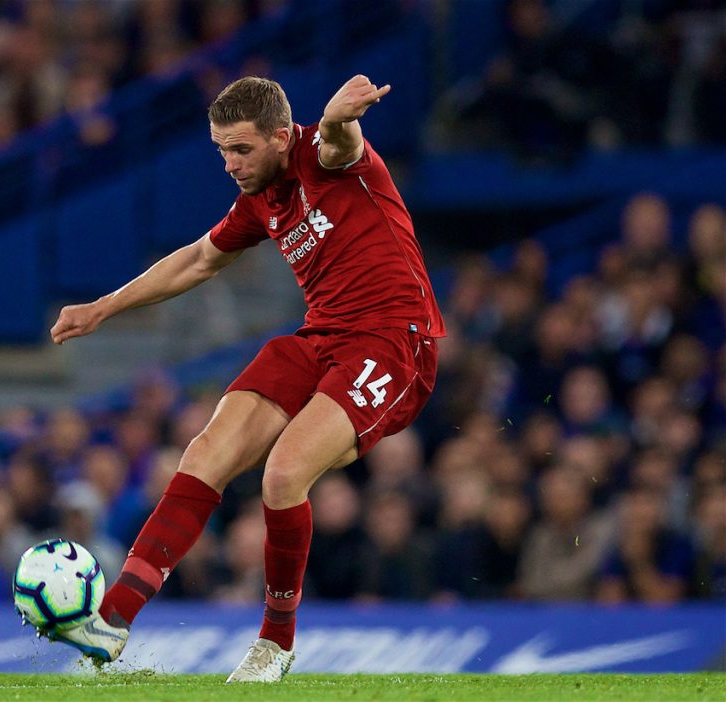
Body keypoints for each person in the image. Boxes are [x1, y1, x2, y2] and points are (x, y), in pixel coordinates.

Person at [48, 74, 445, 682]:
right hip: (321, 337)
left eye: (240, 149)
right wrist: (102, 307)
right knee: (206, 450)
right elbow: (200, 258)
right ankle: (111, 621)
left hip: (393, 340)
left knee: (283, 474)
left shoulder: (323, 154)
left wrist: (339, 118)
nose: (229, 164)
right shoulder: (261, 196)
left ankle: (275, 644)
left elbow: (341, 142)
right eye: (221, 150)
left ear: (282, 136)